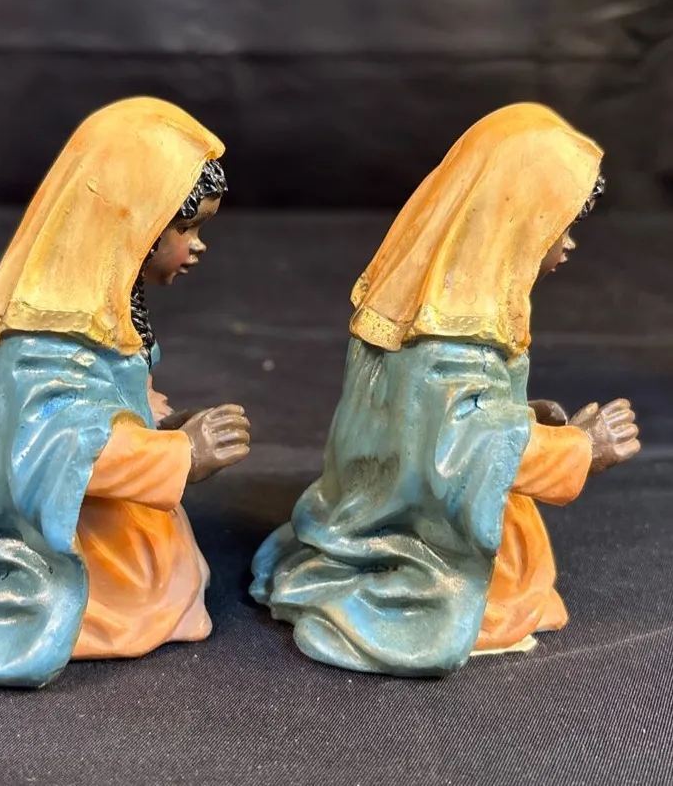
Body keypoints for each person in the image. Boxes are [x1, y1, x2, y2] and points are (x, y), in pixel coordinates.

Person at [250, 102, 640, 676]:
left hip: (423, 500)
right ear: (518, 223)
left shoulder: (449, 305)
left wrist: (525, 415)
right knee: (483, 591)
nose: (569, 244)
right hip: (416, 531)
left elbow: (443, 419)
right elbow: (457, 452)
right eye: (561, 226)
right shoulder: (451, 335)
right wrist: (581, 449)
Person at [0, 98, 251, 687]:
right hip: (70, 538)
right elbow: (56, 449)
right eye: (185, 228)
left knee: (167, 579)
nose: (197, 245)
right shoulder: (50, 339)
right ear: (131, 225)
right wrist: (183, 456)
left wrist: (160, 421)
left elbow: (116, 398)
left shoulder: (110, 309)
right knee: (138, 595)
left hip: (124, 526)